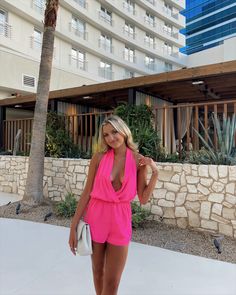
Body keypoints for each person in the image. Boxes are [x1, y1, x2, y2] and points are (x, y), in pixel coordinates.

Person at [69, 115, 158, 295]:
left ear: (124, 132)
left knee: (112, 282)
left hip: (120, 220)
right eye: (106, 135)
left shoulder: (138, 161)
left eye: (114, 132)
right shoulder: (99, 158)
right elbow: (87, 192)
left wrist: (154, 173)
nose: (111, 138)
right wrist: (73, 227)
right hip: (96, 217)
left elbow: (143, 198)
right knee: (97, 272)